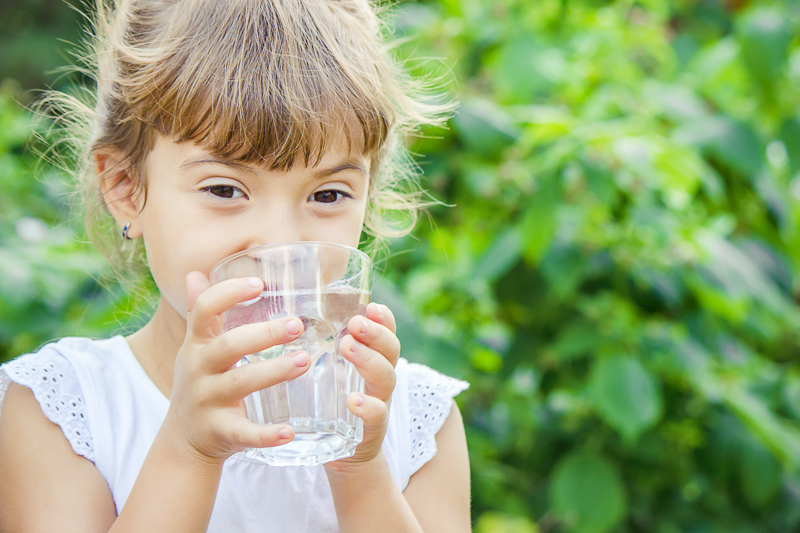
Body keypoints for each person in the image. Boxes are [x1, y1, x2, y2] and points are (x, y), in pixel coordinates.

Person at [0, 0, 471, 531]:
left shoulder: (416, 418)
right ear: (126, 189)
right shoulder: (64, 411)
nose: (280, 243)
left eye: (328, 194)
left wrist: (360, 468)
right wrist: (188, 450)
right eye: (225, 189)